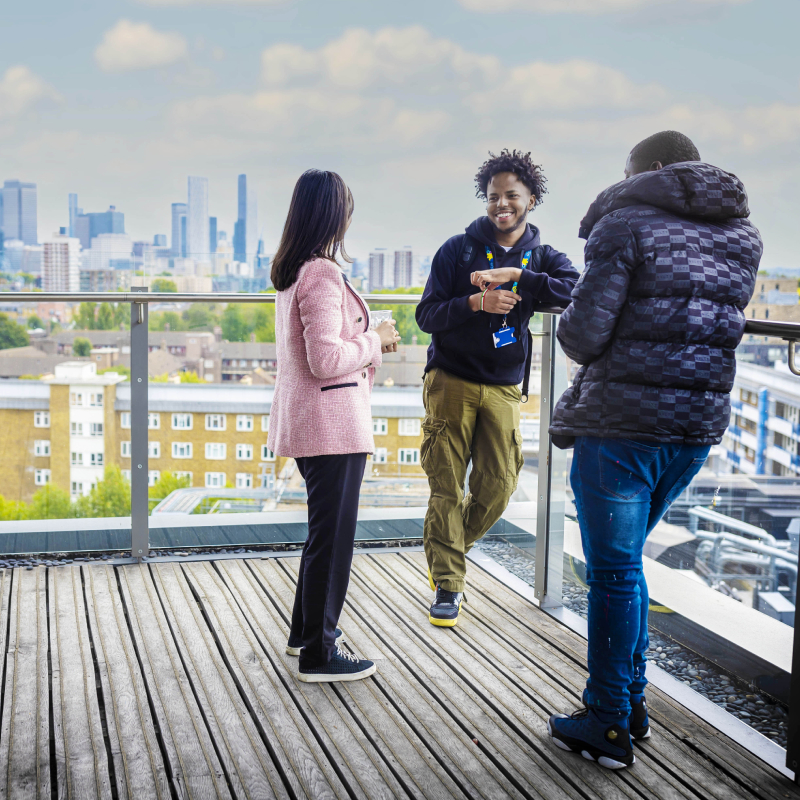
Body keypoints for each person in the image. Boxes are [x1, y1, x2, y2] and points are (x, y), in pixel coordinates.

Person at [547, 131, 762, 769]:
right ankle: (631, 704)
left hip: (621, 427)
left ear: (654, 170)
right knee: (628, 568)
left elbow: (582, 337)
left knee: (612, 574)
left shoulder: (625, 224)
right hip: (695, 430)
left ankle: (609, 722)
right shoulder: (743, 236)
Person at [416, 149, 579, 627]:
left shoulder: (544, 257)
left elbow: (577, 290)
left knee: (500, 484)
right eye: (493, 197)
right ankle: (448, 585)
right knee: (446, 485)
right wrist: (474, 303)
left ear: (531, 198)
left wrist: (518, 277)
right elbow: (426, 317)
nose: (501, 204)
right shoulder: (456, 249)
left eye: (512, 195)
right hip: (450, 380)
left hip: (505, 388)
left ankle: (448, 551)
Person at [267, 169, 400, 683]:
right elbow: (324, 358)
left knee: (322, 533)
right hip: (331, 423)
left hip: (311, 420)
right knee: (333, 537)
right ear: (333, 213)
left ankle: (307, 633)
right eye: (346, 206)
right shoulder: (321, 272)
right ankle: (319, 655)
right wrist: (379, 339)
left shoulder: (292, 269)